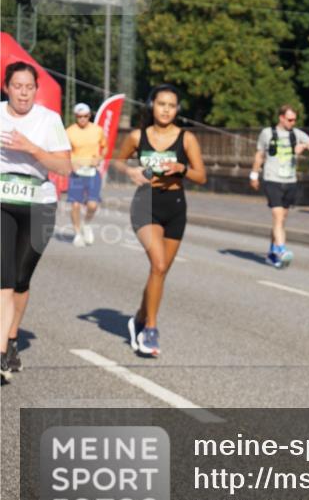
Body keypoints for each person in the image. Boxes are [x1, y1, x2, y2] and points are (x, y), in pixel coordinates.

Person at [114, 84, 206, 358]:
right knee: (159, 264)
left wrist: (182, 168)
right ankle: (151, 329)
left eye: (171, 105)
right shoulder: (137, 136)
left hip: (175, 205)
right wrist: (130, 172)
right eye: (161, 104)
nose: (166, 110)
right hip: (146, 204)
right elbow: (117, 162)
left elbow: (201, 176)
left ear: (177, 110)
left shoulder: (186, 139)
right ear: (151, 105)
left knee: (160, 272)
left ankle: (139, 319)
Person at [1, 62, 72, 382]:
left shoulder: (49, 119)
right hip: (2, 201)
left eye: (29, 87)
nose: (24, 93)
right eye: (18, 86)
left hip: (39, 204)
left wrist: (30, 147)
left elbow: (65, 167)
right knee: (3, 279)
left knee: (20, 279)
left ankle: (11, 337)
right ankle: (1, 351)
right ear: (6, 88)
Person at [249, 105, 309, 267]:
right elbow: (260, 154)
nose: (292, 122)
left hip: (290, 181)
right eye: (290, 119)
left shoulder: (296, 134)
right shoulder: (267, 133)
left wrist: (304, 146)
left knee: (281, 220)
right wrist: (254, 174)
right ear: (281, 118)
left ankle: (272, 253)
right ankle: (282, 250)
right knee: (277, 216)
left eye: (294, 120)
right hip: (272, 179)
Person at [65, 102, 108, 247]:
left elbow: (105, 147)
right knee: (75, 205)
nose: (82, 119)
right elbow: (64, 151)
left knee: (92, 205)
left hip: (92, 171)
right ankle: (77, 234)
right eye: (79, 116)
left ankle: (87, 224)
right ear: (75, 116)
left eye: (85, 116)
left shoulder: (97, 130)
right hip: (77, 172)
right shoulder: (69, 131)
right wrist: (71, 162)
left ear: (89, 115)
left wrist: (100, 158)